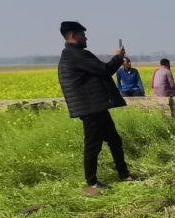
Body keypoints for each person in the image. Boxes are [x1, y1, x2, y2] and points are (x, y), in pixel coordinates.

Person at [57, 21, 134, 196]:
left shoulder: (73, 54)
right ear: (72, 36)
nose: (86, 38)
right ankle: (91, 183)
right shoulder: (75, 55)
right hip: (90, 107)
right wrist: (118, 57)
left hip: (95, 106)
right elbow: (104, 70)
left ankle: (124, 174)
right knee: (93, 145)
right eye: (83, 35)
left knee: (115, 140)